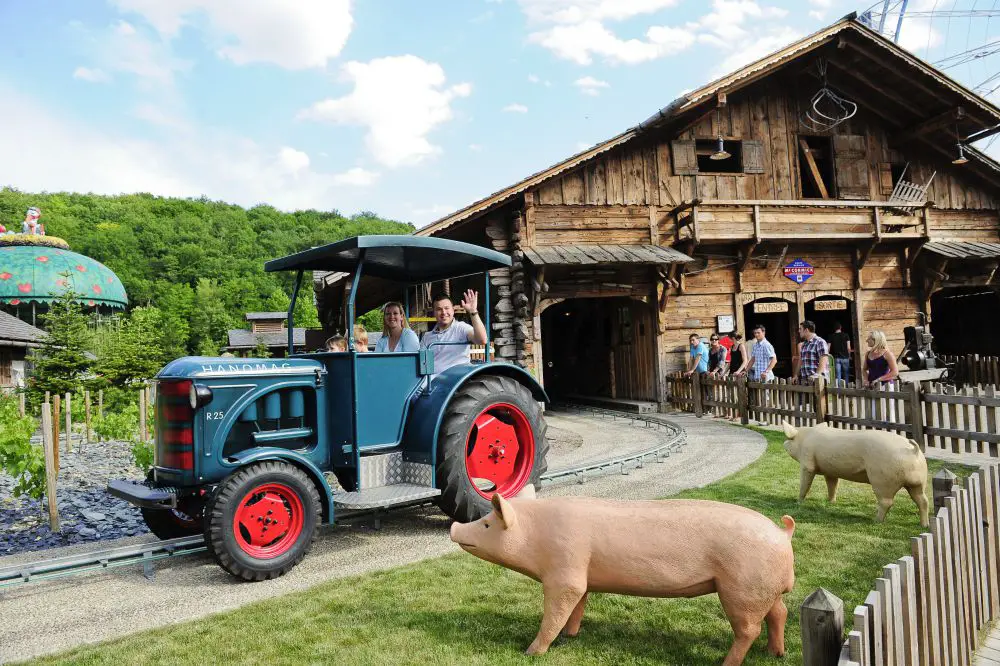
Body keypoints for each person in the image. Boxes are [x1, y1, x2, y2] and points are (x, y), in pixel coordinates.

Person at [420, 290, 488, 373]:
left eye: (446, 308)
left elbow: (482, 340)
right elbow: (422, 363)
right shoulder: (427, 337)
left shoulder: (461, 328)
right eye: (439, 309)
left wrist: (473, 311)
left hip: (455, 381)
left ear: (453, 310)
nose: (443, 312)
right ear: (434, 313)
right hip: (431, 381)